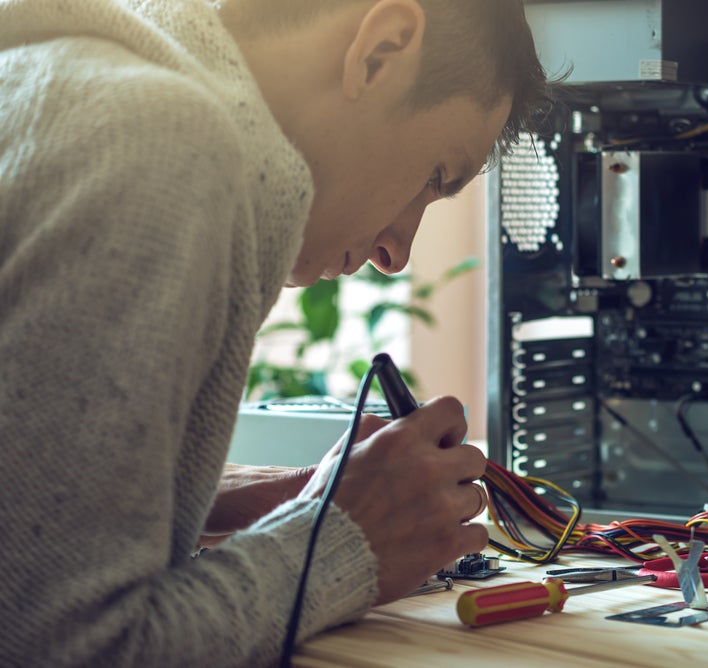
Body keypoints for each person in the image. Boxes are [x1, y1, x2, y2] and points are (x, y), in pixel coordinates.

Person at [0, 0, 554, 665]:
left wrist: (272, 494)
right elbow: (73, 648)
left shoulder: (50, 78)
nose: (396, 253)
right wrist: (346, 544)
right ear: (379, 50)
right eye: (435, 176)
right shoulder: (160, 141)